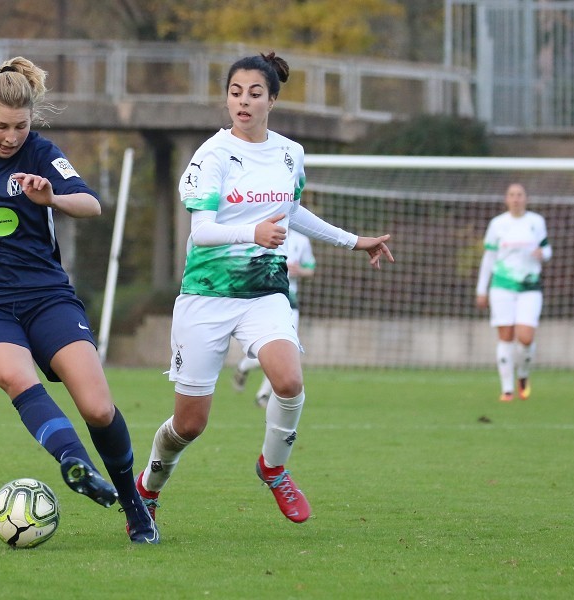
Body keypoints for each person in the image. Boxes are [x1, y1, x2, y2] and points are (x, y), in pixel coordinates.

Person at [134, 52, 394, 529]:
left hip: (265, 293)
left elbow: (292, 212)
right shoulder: (210, 156)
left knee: (290, 381)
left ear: (272, 99)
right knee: (189, 425)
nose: (243, 103)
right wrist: (252, 232)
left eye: (255, 94)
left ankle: (273, 468)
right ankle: (147, 488)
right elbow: (203, 231)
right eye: (235, 93)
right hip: (206, 296)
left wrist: (355, 241)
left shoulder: (290, 153)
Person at [0, 56, 158, 544]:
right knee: (17, 378)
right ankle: (76, 465)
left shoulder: (43, 153)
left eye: (20, 126)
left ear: (31, 121)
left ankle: (136, 507)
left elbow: (90, 203)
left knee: (99, 409)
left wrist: (52, 200)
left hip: (47, 297)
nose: (10, 136)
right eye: (2, 126)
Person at [475, 183, 551, 402]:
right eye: (512, 195)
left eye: (520, 195)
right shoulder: (498, 224)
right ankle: (507, 389)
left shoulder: (536, 222)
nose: (516, 198)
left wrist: (542, 253)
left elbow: (547, 248)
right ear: (506, 199)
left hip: (530, 286)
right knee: (505, 335)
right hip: (502, 286)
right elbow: (489, 258)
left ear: (525, 198)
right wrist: (482, 289)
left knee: (525, 337)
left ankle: (523, 376)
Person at [232, 229, 316, 407]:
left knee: (287, 349)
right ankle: (244, 366)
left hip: (290, 301)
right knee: (268, 348)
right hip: (264, 298)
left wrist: (299, 270)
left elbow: (310, 269)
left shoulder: (302, 241)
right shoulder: (263, 232)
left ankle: (263, 394)